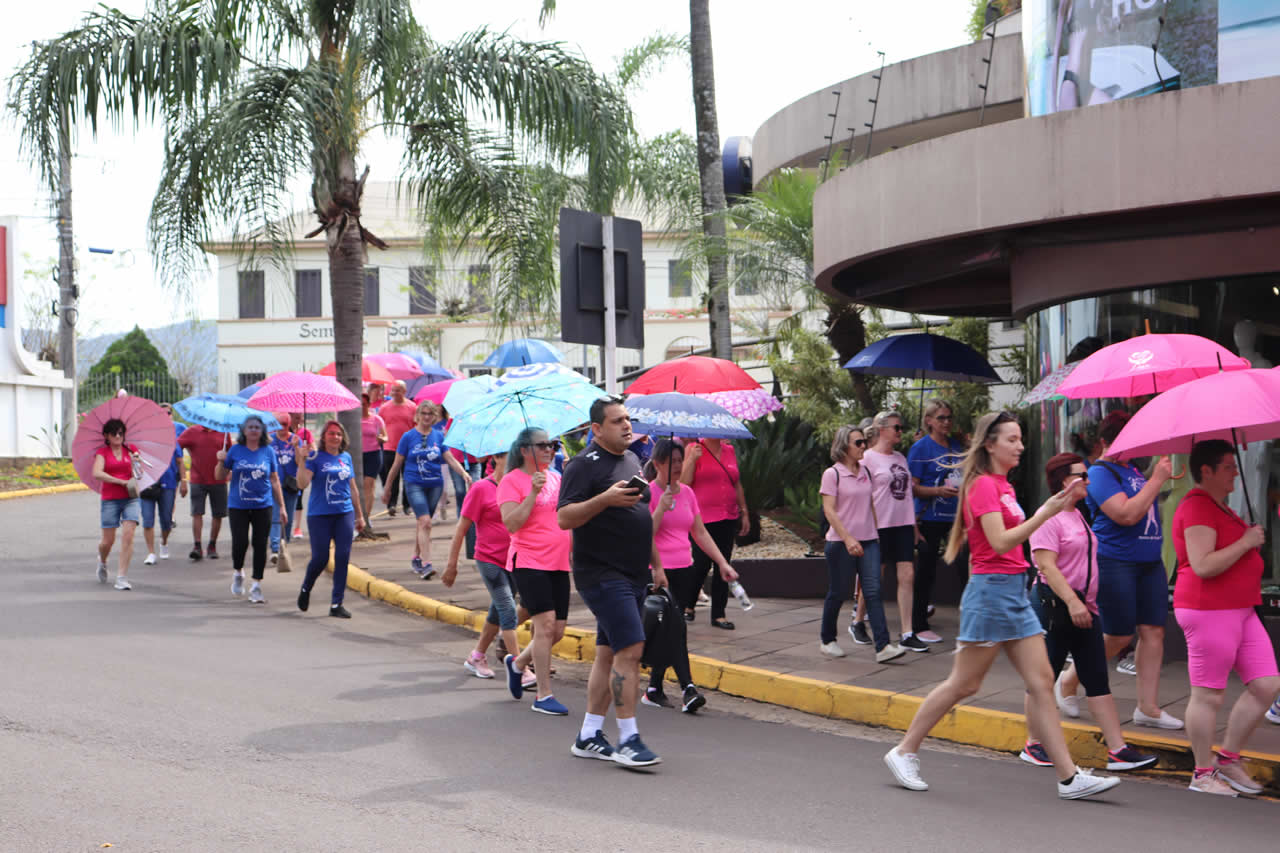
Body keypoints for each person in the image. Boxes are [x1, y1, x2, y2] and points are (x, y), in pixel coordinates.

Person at [884, 411, 1122, 800]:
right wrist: (1046, 513)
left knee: (1043, 681)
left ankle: (1069, 778)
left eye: (1021, 439)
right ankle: (904, 750)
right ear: (990, 444)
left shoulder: (1003, 486)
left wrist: (1046, 511)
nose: (1020, 446)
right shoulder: (982, 487)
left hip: (1014, 592)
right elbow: (999, 542)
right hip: (992, 592)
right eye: (1012, 439)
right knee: (966, 683)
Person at [1020, 453, 1158, 773]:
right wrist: (1072, 602)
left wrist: (1086, 603)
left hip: (1085, 607)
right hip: (1055, 607)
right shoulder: (1048, 516)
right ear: (1064, 481)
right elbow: (1046, 566)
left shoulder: (1077, 513)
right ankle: (1033, 742)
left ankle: (1118, 749)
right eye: (1082, 475)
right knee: (1044, 678)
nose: (1088, 481)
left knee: (1097, 678)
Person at [558, 396, 666, 767]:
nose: (626, 425)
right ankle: (629, 739)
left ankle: (588, 735)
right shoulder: (582, 466)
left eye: (627, 419)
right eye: (617, 420)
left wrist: (656, 564)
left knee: (608, 652)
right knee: (631, 649)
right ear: (597, 429)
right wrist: (603, 499)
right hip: (601, 574)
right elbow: (565, 518)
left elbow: (639, 514)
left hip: (634, 572)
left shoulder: (632, 459)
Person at [1060, 412, 1182, 729]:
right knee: (1118, 634)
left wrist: (1155, 481)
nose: (1136, 450)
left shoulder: (1133, 471)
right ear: (1106, 442)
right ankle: (1069, 680)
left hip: (1149, 562)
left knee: (1154, 631)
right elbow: (1124, 514)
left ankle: (1148, 707)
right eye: (1129, 443)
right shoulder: (1099, 472)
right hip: (1116, 561)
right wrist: (1156, 480)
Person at [1171, 440, 1280, 796]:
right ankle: (1202, 773)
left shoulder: (1221, 507)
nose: (1236, 473)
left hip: (1240, 609)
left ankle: (1228, 760)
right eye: (1230, 467)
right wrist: (1246, 542)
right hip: (1209, 610)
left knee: (1266, 684)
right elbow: (1203, 565)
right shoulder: (1198, 507)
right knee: (1208, 696)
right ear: (1207, 471)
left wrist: (1246, 540)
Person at [644, 438, 735, 711]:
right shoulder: (648, 493)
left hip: (685, 568)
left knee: (669, 631)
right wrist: (660, 507)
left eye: (680, 460)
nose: (677, 466)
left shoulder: (687, 492)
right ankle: (688, 688)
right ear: (658, 464)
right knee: (676, 630)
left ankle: (653, 688)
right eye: (672, 461)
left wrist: (722, 563)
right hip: (658, 571)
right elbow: (644, 535)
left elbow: (700, 532)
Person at [497, 428, 574, 714]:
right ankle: (543, 696)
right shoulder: (511, 481)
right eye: (543, 445)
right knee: (546, 626)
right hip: (528, 560)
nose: (550, 449)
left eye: (553, 445)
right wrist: (532, 492)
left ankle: (517, 664)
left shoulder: (556, 478)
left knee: (559, 631)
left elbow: (564, 518)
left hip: (558, 561)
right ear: (524, 450)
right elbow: (512, 523)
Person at [443, 453, 535, 684]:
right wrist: (451, 565)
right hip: (489, 559)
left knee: (497, 612)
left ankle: (477, 656)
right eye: (508, 455)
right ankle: (519, 668)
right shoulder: (481, 489)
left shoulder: (521, 486)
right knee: (507, 608)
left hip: (514, 559)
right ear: (496, 458)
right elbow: (461, 528)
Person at [819, 425, 905, 663]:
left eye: (864, 442)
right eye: (858, 443)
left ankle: (883, 646)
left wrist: (875, 533)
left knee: (873, 591)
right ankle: (827, 640)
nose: (863, 447)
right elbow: (829, 510)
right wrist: (847, 538)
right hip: (840, 543)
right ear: (843, 445)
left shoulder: (865, 471)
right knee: (838, 592)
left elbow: (870, 504)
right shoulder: (832, 474)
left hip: (869, 541)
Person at [855, 411, 928, 653]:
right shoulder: (867, 459)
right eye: (897, 427)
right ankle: (858, 621)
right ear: (882, 429)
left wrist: (914, 526)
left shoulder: (900, 458)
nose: (900, 431)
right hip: (878, 525)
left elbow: (907, 494)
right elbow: (861, 495)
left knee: (907, 575)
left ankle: (907, 632)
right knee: (875, 578)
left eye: (901, 427)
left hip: (903, 524)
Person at [382, 400, 472, 578]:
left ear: (434, 417)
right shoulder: (408, 437)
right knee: (425, 522)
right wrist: (388, 487)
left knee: (423, 523)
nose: (426, 417)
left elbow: (449, 459)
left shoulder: (438, 436)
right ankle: (426, 564)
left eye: (430, 414)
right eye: (423, 413)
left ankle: (416, 557)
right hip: (414, 483)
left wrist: (464, 474)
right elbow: (396, 464)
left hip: (434, 485)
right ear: (417, 416)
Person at [908, 399, 967, 642]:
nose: (947, 422)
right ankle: (918, 623)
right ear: (929, 420)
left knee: (966, 567)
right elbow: (913, 488)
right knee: (926, 571)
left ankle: (972, 621)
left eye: (949, 417)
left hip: (956, 518)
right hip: (930, 517)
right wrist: (937, 492)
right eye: (941, 417)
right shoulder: (921, 449)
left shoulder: (956, 445)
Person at [295, 420, 365, 618]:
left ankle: (336, 603)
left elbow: (353, 488)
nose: (335, 437)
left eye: (338, 434)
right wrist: (301, 460)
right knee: (321, 557)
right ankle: (306, 588)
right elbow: (302, 484)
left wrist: (359, 516)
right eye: (331, 433)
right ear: (324, 437)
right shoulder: (315, 458)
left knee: (343, 556)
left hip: (344, 512)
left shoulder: (346, 458)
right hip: (320, 515)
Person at [214, 414, 287, 605]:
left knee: (260, 544)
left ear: (262, 430)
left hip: (263, 505)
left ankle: (256, 585)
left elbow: (274, 479)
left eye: (257, 427)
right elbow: (220, 476)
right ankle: (238, 571)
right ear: (244, 431)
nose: (254, 430)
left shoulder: (268, 451)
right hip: (238, 505)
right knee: (240, 542)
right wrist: (221, 461)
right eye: (250, 427)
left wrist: (282, 507)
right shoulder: (235, 450)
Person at [680, 436, 748, 628]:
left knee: (723, 564)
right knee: (700, 564)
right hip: (701, 518)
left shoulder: (729, 450)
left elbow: (736, 482)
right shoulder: (694, 448)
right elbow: (684, 484)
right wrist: (692, 459)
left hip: (728, 515)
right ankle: (688, 605)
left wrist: (744, 511)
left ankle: (719, 614)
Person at [92, 418, 143, 590]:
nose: (118, 436)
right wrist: (119, 481)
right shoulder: (102, 453)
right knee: (107, 541)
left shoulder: (131, 450)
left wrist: (137, 461)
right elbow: (97, 473)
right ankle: (103, 560)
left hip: (131, 497)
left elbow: (139, 475)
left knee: (129, 534)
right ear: (106, 435)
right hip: (110, 499)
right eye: (114, 433)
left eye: (121, 432)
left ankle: (122, 577)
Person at [141, 404, 186, 565]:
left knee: (166, 521)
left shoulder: (172, 439)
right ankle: (151, 552)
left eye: (168, 413)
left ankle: (164, 542)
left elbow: (180, 461)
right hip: (148, 484)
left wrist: (184, 482)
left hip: (168, 483)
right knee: (147, 520)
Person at [178, 423, 229, 560]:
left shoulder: (223, 432)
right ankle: (197, 546)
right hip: (197, 479)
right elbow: (177, 446)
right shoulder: (192, 431)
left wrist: (227, 463)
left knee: (218, 514)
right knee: (197, 513)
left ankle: (212, 545)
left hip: (218, 480)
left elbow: (230, 453)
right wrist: (186, 455)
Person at [378, 381, 417, 517]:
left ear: (404, 391)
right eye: (393, 390)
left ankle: (407, 505)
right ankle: (392, 505)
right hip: (390, 447)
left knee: (408, 478)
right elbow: (380, 427)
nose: (395, 393)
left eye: (398, 390)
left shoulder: (412, 407)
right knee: (392, 477)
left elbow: (416, 427)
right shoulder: (384, 408)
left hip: (408, 448)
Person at [269, 413, 301, 566]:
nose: (282, 428)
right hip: (274, 486)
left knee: (287, 519)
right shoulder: (270, 440)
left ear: (290, 425)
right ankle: (275, 548)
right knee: (275, 517)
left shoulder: (296, 440)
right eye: (279, 424)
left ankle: (284, 543)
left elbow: (299, 463)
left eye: (285, 424)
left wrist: (296, 447)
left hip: (291, 486)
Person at [359, 391, 387, 526]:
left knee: (369, 485)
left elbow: (385, 436)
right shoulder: (353, 419)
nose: (362, 407)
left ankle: (367, 516)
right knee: (360, 486)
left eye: (364, 404)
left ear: (369, 404)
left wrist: (382, 439)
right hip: (359, 455)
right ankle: (360, 515)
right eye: (360, 404)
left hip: (374, 454)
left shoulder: (376, 419)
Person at [290, 414, 312, 539]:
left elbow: (312, 449)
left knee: (298, 499)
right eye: (296, 417)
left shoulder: (305, 432)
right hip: (285, 470)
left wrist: (306, 450)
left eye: (301, 417)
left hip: (300, 470)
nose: (299, 420)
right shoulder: (283, 431)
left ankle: (297, 527)